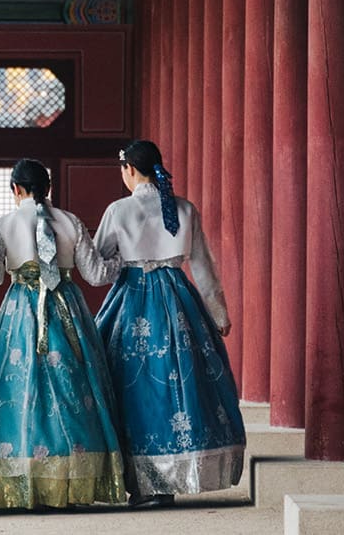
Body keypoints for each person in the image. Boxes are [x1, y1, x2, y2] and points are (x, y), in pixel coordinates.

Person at [93, 140, 247, 507]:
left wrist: (126, 267)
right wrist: (219, 314)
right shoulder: (184, 209)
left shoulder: (119, 210)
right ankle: (172, 475)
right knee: (179, 386)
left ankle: (141, 482)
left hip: (130, 301)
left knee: (131, 387)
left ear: (129, 169)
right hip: (179, 302)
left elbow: (97, 261)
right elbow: (203, 266)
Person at [0, 159, 127, 510]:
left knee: (19, 386)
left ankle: (21, 478)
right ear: (49, 187)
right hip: (66, 308)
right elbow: (96, 273)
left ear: (15, 189)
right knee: (73, 386)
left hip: (19, 314)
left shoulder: (4, 224)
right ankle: (76, 476)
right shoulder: (70, 221)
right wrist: (126, 261)